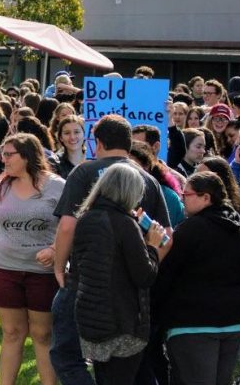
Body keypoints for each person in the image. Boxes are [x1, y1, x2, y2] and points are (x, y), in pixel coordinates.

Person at [50, 114, 171, 385]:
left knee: (66, 354)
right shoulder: (146, 178)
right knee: (127, 365)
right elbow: (166, 237)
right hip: (132, 293)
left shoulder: (84, 171)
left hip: (85, 282)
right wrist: (145, 267)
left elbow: (67, 226)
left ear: (98, 142)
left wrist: (59, 267)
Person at [0, 133, 64, 385]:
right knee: (12, 333)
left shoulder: (57, 186)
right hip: (5, 269)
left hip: (42, 273)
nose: (3, 159)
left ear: (27, 155)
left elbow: (72, 225)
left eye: (8, 154)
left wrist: (56, 249)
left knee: (42, 333)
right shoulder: (2, 185)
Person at [154, 171, 240, 385]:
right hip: (234, 320)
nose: (182, 199)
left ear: (205, 197)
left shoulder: (191, 229)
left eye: (186, 194)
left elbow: (166, 273)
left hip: (194, 322)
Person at [73, 163, 169, 384]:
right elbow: (145, 275)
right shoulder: (125, 224)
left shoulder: (86, 218)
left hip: (92, 317)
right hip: (123, 321)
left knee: (105, 378)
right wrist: (152, 246)